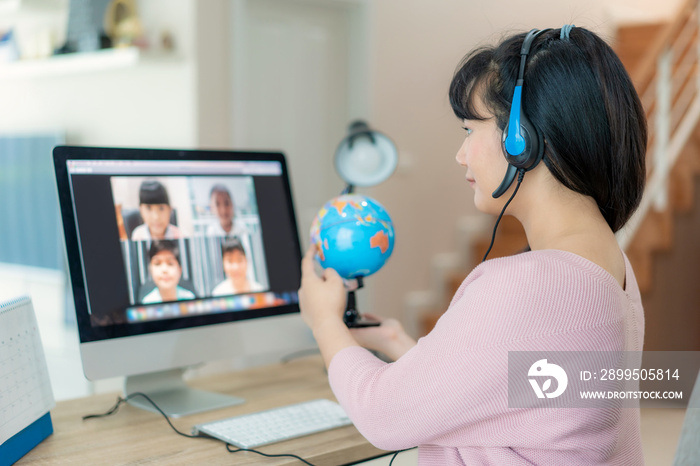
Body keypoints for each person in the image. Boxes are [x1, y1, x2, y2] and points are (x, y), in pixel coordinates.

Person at [299, 25, 647, 465]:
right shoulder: (607, 265)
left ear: (519, 137)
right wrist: (396, 342)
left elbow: (381, 416)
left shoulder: (530, 286)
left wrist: (323, 320)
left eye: (469, 129)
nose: (461, 155)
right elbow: (531, 399)